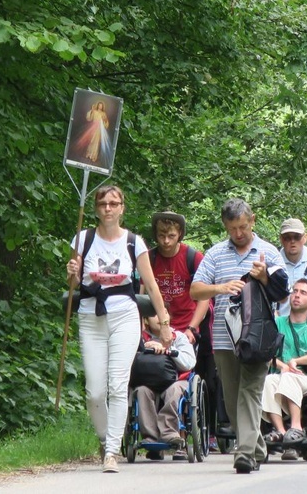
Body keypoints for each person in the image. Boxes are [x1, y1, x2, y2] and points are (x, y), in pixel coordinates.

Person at [66, 185, 171, 473]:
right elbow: (73, 286)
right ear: (97, 209)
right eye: (103, 204)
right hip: (91, 317)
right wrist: (72, 275)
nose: (108, 208)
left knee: (117, 384)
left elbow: (151, 285)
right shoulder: (83, 239)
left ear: (122, 207)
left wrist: (164, 324)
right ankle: (104, 438)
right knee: (94, 392)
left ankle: (112, 450)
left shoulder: (133, 242)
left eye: (114, 203)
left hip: (125, 317)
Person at [190, 198, 287, 474]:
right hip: (224, 338)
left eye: (243, 227)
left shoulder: (268, 252)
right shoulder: (216, 254)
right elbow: (195, 290)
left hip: (258, 336)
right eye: (232, 228)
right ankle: (257, 447)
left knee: (250, 393)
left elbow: (283, 292)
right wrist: (220, 288)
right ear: (225, 226)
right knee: (232, 400)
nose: (239, 233)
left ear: (252, 220)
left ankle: (243, 454)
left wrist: (265, 276)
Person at [145, 211, 217, 448]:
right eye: (161, 235)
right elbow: (141, 296)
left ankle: (182, 430)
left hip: (186, 326)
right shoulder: (149, 258)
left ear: (180, 235)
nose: (166, 241)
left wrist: (192, 328)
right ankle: (151, 430)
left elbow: (204, 296)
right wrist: (146, 324)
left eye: (171, 236)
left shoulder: (192, 257)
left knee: (186, 374)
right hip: (157, 325)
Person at [262, 279, 307, 461]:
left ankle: (296, 428)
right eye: (295, 291)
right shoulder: (277, 323)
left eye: (303, 293)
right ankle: (282, 432)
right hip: (282, 375)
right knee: (268, 380)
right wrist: (282, 365)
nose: (297, 295)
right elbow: (265, 353)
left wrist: (296, 361)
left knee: (289, 378)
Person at [135, 311, 197, 460]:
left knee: (174, 391)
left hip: (176, 380)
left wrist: (168, 351)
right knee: (141, 391)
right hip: (148, 382)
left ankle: (169, 432)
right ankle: (151, 438)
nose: (161, 317)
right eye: (154, 314)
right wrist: (145, 349)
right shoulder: (140, 339)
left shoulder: (179, 337)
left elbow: (190, 362)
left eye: (164, 313)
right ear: (146, 320)